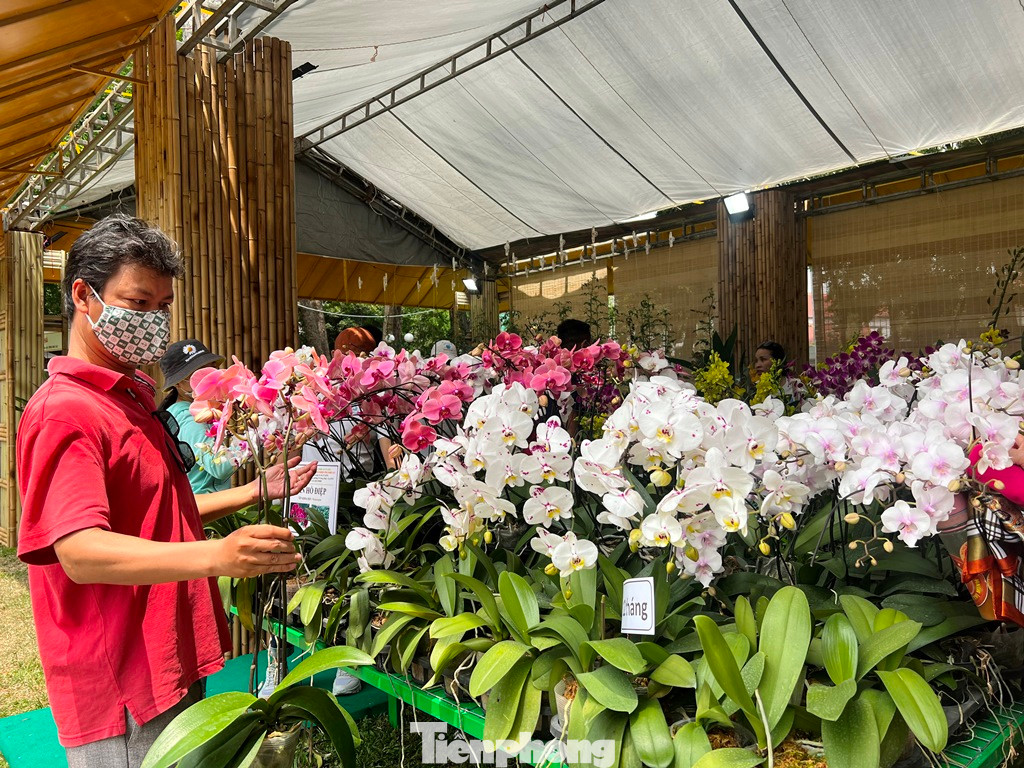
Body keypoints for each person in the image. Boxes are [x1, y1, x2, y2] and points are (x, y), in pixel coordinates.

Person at [16, 214, 316, 767]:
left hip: (165, 656)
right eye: (137, 303)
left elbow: (153, 514)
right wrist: (217, 555)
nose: (154, 322)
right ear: (83, 295)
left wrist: (252, 492)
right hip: (123, 680)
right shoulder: (65, 412)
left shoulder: (126, 399)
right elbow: (78, 551)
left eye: (163, 306)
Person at [160, 339, 237, 494]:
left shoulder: (201, 409)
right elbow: (219, 466)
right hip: (204, 511)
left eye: (212, 369)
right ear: (179, 383)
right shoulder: (188, 419)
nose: (209, 378)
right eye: (199, 373)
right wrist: (256, 436)